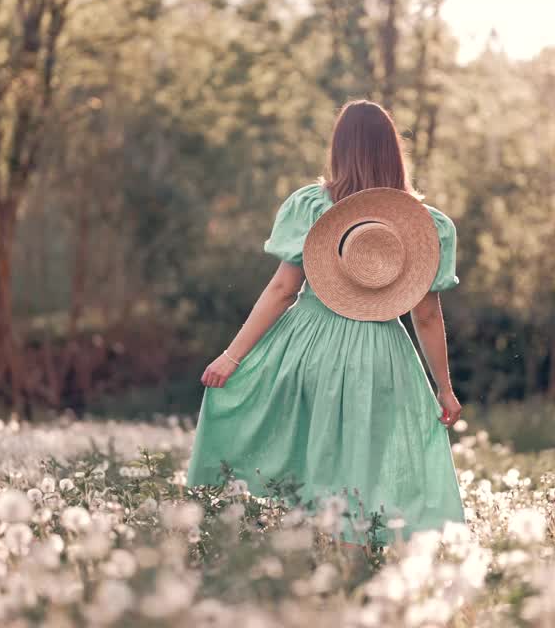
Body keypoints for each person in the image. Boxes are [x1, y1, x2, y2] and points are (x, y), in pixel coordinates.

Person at [186, 100, 466, 548]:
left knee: (308, 453)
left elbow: (282, 290)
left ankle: (306, 557)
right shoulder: (426, 226)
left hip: (310, 347)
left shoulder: (313, 207)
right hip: (382, 356)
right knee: (365, 465)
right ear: (394, 152)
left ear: (340, 149)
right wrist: (445, 388)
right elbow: (427, 315)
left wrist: (232, 356)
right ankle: (356, 560)